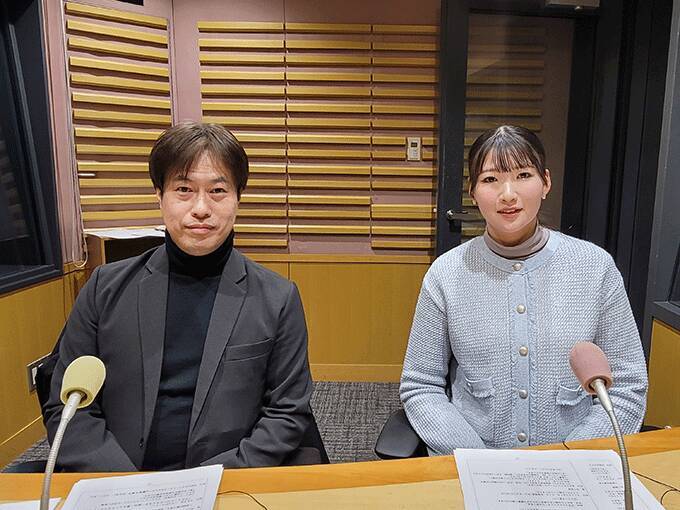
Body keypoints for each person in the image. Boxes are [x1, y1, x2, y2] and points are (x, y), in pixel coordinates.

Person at [44, 122, 314, 471]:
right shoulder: (104, 288)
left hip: (226, 480)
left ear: (238, 198)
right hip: (118, 479)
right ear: (159, 195)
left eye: (218, 191)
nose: (201, 208)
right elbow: (68, 406)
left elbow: (287, 412)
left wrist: (217, 480)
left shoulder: (278, 298)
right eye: (183, 189)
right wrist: (125, 483)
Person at [400, 125, 648, 453]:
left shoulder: (594, 267)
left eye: (523, 175)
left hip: (576, 466)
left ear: (545, 183)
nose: (508, 194)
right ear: (472, 192)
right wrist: (478, 462)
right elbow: (421, 386)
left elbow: (627, 386)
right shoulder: (446, 274)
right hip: (472, 464)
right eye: (491, 179)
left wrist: (570, 459)